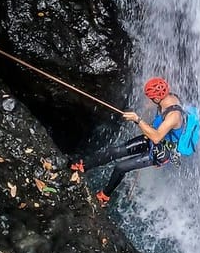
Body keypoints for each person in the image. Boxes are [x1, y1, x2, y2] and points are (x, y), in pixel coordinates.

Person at [70, 77, 185, 207]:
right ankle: (84, 166)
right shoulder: (168, 97)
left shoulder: (173, 115)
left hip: (162, 150)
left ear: (157, 98)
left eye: (151, 99)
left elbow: (157, 137)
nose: (150, 101)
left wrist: (137, 120)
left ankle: (104, 196)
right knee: (114, 151)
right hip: (155, 138)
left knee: (120, 167)